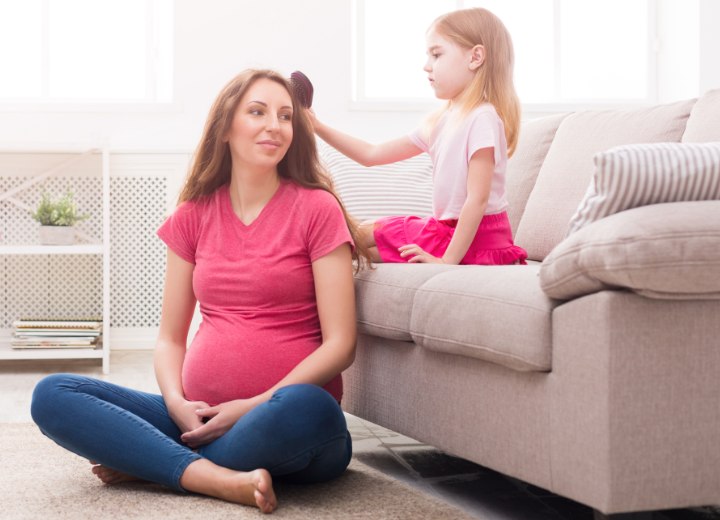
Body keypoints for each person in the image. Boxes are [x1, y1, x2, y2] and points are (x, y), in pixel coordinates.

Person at [31, 69, 370, 514]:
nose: (275, 125)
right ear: (226, 126)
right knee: (54, 393)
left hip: (287, 420)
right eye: (257, 111)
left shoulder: (316, 208)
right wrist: (176, 404)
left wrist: (248, 407)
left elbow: (341, 345)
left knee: (310, 406)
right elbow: (171, 338)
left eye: (286, 116)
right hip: (199, 419)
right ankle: (212, 475)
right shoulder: (193, 214)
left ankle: (157, 464)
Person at [311, 7, 527, 265]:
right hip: (447, 232)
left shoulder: (482, 118)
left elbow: (477, 200)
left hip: (479, 241)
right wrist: (318, 127)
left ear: (475, 57)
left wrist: (447, 261)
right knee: (363, 237)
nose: (426, 66)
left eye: (436, 54)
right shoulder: (441, 122)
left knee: (364, 236)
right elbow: (372, 154)